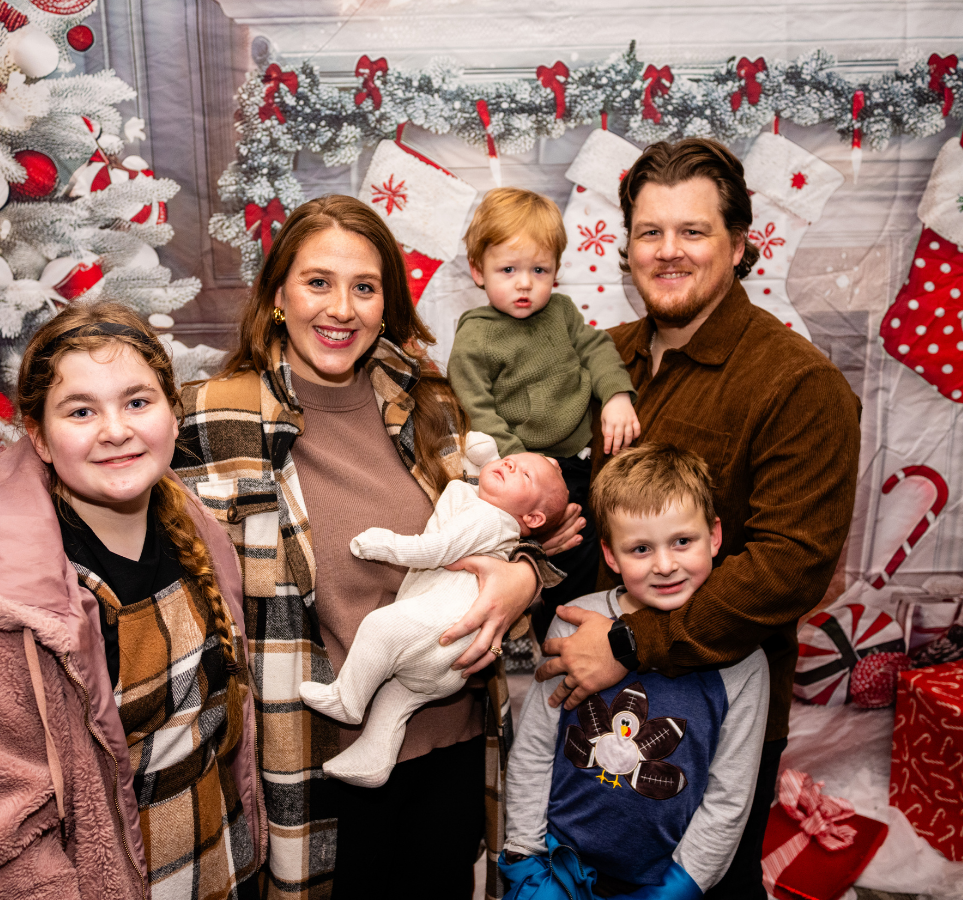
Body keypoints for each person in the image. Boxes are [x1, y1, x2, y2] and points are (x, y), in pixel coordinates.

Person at [173, 194, 579, 899]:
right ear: (277, 294)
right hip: (316, 754)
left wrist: (522, 581)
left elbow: (523, 530)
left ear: (387, 303)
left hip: (450, 745)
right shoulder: (211, 415)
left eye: (364, 287)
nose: (341, 310)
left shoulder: (432, 401)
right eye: (317, 282)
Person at [536, 137, 861, 899]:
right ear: (626, 247)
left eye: (693, 231)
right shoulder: (599, 361)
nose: (668, 252)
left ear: (740, 245)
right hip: (580, 710)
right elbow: (555, 505)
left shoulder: (796, 383)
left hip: (711, 723)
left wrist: (628, 642)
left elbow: (788, 568)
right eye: (650, 232)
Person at [0, 302, 265, 900]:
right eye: (81, 410)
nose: (116, 430)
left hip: (217, 863)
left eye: (138, 402)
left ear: (173, 412)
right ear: (37, 434)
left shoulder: (194, 530)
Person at [504, 444, 768, 900]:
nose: (665, 565)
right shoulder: (575, 622)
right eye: (641, 548)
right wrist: (524, 854)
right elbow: (534, 747)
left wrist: (682, 885)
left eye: (682, 541)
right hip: (556, 866)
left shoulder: (744, 659)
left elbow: (730, 796)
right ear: (610, 554)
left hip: (657, 880)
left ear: (715, 537)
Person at [301, 449, 570, 788]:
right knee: (395, 699)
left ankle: (347, 699)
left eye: (525, 475)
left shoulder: (487, 517)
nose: (510, 465)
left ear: (532, 520)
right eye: (511, 460)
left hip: (440, 633)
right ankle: (373, 758)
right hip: (450, 662)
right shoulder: (490, 515)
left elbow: (437, 549)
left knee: (379, 626)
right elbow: (476, 471)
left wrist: (383, 544)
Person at [448, 187, 640, 635]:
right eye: (508, 269)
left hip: (581, 463)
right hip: (524, 476)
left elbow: (597, 349)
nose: (524, 283)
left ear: (556, 271)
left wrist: (615, 394)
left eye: (539, 270)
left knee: (595, 547)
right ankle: (560, 637)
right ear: (478, 271)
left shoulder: (561, 312)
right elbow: (479, 411)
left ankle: (598, 630)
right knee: (557, 558)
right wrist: (523, 468)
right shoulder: (476, 338)